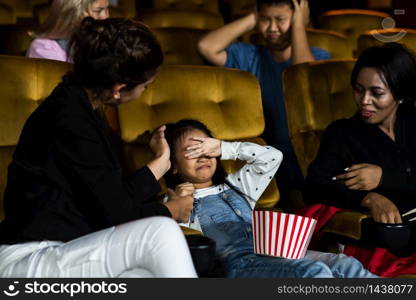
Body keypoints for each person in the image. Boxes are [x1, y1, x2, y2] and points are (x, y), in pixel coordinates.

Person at [0, 18, 197, 278]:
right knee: (162, 233)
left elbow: (110, 198)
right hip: (30, 256)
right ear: (119, 89)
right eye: (145, 86)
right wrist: (172, 210)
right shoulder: (69, 119)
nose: (145, 91)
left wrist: (161, 161)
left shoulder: (81, 105)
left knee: (143, 276)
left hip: (70, 247)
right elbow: (117, 214)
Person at [163, 119, 377, 278]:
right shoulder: (176, 200)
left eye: (205, 147)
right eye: (191, 151)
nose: (202, 156)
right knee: (314, 272)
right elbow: (171, 243)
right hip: (238, 265)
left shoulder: (238, 185)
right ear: (173, 166)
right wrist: (178, 203)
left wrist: (223, 147)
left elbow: (273, 157)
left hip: (278, 253)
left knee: (346, 264)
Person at [197, 0, 330, 201]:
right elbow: (206, 47)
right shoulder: (248, 55)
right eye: (266, 20)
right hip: (266, 156)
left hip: (310, 156)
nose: (272, 28)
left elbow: (301, 77)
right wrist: (255, 16)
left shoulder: (319, 57)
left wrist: (299, 25)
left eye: (281, 19)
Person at [304, 42, 416, 226]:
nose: (364, 100)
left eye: (377, 93)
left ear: (399, 93)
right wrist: (367, 198)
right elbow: (315, 189)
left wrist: (384, 177)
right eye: (358, 89)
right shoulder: (342, 133)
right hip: (390, 238)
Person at [27, 0, 110, 62]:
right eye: (98, 11)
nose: (106, 17)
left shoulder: (103, 40)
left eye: (107, 9)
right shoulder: (43, 47)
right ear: (73, 13)